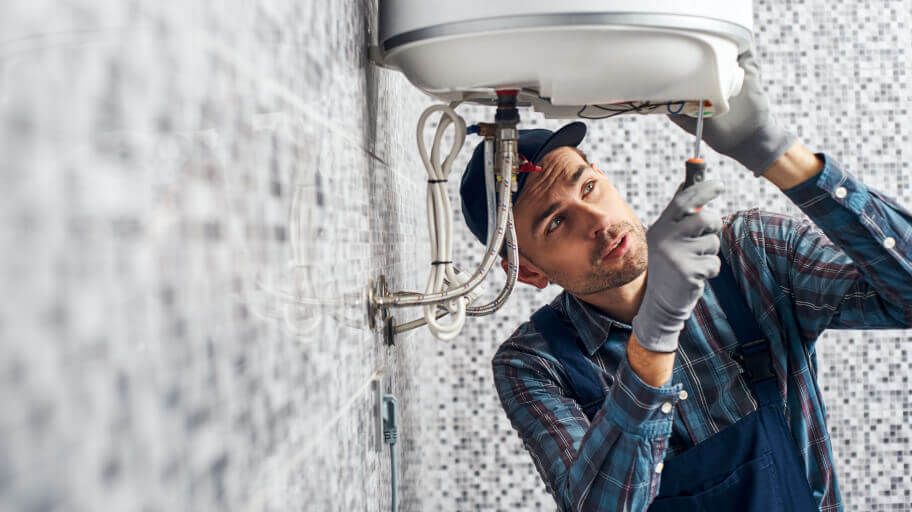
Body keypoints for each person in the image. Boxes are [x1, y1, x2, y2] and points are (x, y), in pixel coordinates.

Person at [457, 50, 912, 511]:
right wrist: (655, 334)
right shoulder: (535, 364)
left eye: (588, 186)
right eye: (556, 223)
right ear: (530, 271)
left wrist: (774, 151)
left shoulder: (748, 253)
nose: (596, 220)